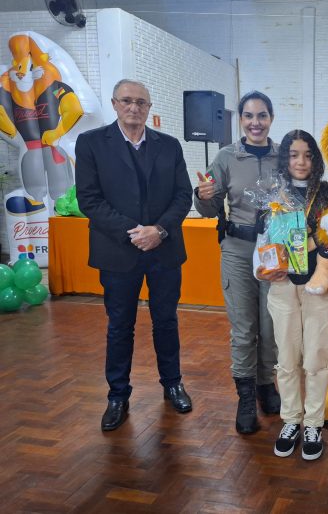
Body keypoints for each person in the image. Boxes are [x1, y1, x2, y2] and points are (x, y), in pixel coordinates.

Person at [75, 79, 193, 431]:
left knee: (166, 321)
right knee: (119, 326)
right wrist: (135, 232)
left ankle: (173, 383)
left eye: (141, 102)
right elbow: (89, 200)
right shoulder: (91, 143)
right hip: (118, 253)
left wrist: (159, 231)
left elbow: (183, 195)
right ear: (114, 104)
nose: (134, 107)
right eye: (127, 101)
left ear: (149, 107)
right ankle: (117, 395)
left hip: (164, 249)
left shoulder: (169, 146)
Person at [255, 130, 328, 461]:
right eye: (294, 155)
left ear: (315, 159)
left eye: (307, 155)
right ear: (285, 158)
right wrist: (262, 270)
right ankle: (291, 420)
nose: (301, 161)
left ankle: (313, 424)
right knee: (287, 358)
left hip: (319, 286)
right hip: (282, 287)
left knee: (316, 358)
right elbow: (261, 242)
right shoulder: (272, 195)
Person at [194, 91, 281, 434]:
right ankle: (245, 397)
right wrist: (202, 197)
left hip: (274, 251)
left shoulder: (283, 156)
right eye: (248, 116)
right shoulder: (226, 157)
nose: (255, 122)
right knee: (244, 329)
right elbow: (209, 208)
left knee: (270, 327)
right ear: (241, 119)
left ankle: (266, 384)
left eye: (262, 115)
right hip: (237, 249)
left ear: (271, 118)